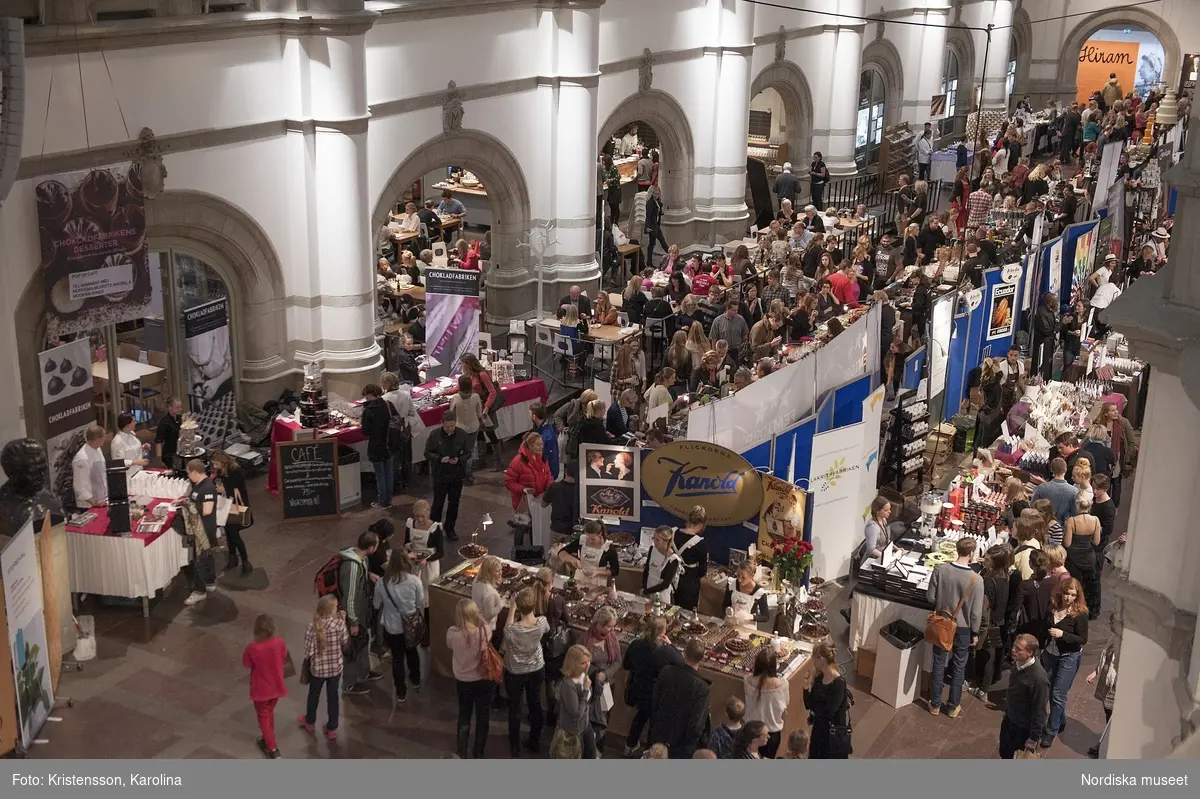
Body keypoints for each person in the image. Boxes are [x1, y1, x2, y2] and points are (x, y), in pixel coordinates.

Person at [926, 537, 982, 718]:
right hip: (964, 628)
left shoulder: (940, 570)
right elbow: (975, 613)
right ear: (972, 553)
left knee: (938, 663)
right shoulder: (976, 579)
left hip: (942, 624)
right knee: (959, 667)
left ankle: (934, 704)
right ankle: (952, 707)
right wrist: (975, 632)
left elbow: (931, 598)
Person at [1040, 578, 1088, 748]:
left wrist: (1063, 635)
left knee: (1058, 694)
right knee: (1050, 689)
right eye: (1066, 593)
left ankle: (1051, 731)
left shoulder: (1080, 613)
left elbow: (1082, 639)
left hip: (1068, 656)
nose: (1068, 597)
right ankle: (1060, 720)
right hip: (1050, 653)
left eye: (1073, 595)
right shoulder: (1053, 606)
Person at [444, 599, 495, 758]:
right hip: (484, 680)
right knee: (483, 716)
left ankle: (462, 751)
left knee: (464, 715)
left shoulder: (452, 633)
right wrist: (479, 618)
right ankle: (478, 751)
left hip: (463, 682)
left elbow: (449, 645)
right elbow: (488, 626)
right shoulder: (484, 631)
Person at [373, 548, 425, 703]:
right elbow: (420, 603)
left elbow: (376, 605)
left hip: (392, 627)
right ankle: (415, 680)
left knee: (397, 658)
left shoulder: (382, 583)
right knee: (412, 652)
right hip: (411, 625)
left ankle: (401, 692)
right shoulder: (414, 581)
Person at [502, 587, 549, 757]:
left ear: (519, 607)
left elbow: (506, 631)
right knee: (535, 704)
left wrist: (512, 608)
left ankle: (514, 745)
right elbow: (547, 629)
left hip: (515, 671)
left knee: (515, 708)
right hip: (536, 668)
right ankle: (534, 740)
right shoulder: (542, 622)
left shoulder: (513, 630)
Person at [649, 638, 711, 758]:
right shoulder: (702, 687)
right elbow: (696, 724)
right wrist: (690, 746)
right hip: (681, 744)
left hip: (660, 733)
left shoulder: (666, 671)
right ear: (702, 658)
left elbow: (655, 702)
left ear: (684, 653)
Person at [299, 595, 349, 740]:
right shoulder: (339, 624)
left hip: (318, 670)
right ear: (331, 610)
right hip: (335, 669)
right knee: (333, 697)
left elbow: (308, 652)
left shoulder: (312, 627)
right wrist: (343, 621)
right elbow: (345, 641)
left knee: (313, 695)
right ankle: (332, 728)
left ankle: (309, 721)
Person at [968, 545, 1011, 699]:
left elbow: (983, 605)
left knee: (985, 654)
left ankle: (982, 688)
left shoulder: (987, 581)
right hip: (998, 619)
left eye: (987, 560)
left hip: (987, 621)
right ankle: (982, 684)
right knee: (988, 654)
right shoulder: (1005, 576)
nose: (984, 561)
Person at [242, 614, 287, 758]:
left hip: (261, 690)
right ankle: (268, 738)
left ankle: (272, 748)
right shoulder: (279, 642)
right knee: (269, 713)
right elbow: (284, 655)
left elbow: (246, 663)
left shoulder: (253, 647)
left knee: (263, 717)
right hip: (277, 686)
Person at [999, 633, 1050, 758]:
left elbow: (1040, 711)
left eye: (1018, 649)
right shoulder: (1018, 664)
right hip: (1010, 720)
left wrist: (1033, 739)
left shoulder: (1038, 678)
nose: (1013, 650)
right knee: (1004, 753)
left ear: (1030, 652)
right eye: (1014, 646)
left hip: (1023, 729)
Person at [425, 410, 471, 541]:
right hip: (440, 474)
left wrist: (460, 459)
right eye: (447, 426)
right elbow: (427, 453)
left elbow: (468, 452)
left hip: (456, 474)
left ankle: (450, 528)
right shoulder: (434, 435)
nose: (450, 429)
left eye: (452, 426)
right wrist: (439, 458)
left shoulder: (462, 434)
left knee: (454, 503)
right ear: (442, 424)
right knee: (438, 502)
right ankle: (434, 528)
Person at [182, 459, 220, 606]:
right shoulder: (199, 485)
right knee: (207, 555)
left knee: (200, 560)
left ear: (195, 472)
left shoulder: (208, 488)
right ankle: (210, 581)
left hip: (204, 530)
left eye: (189, 473)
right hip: (200, 528)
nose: (188, 476)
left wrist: (189, 506)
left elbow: (207, 510)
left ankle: (199, 591)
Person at [804, 642, 850, 758]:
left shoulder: (838, 683)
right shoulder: (819, 679)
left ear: (822, 659)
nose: (813, 664)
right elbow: (809, 705)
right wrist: (805, 688)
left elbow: (829, 711)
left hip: (832, 735)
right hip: (819, 731)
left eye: (814, 660)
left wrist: (815, 710)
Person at [212, 450, 252, 574]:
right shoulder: (221, 471)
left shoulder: (235, 470)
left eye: (216, 464)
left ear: (223, 462)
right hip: (226, 506)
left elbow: (239, 488)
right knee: (229, 534)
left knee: (235, 535)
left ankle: (245, 561)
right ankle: (232, 558)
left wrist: (223, 488)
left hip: (235, 506)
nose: (214, 466)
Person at [743, 648, 788, 758]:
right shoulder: (783, 685)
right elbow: (785, 704)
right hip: (772, 732)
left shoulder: (747, 680)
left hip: (751, 731)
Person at [1084, 620, 1119, 758]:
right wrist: (1095, 672)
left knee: (1112, 716)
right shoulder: (1114, 637)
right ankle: (1105, 740)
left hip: (1116, 686)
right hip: (1107, 682)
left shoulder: (1126, 643)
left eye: (1113, 623)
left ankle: (1105, 744)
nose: (1111, 625)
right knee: (1108, 713)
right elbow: (1106, 655)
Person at [551, 645, 593, 759]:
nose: (588, 665)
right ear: (573, 664)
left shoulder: (584, 675)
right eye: (583, 663)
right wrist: (585, 690)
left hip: (585, 726)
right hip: (571, 732)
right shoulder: (568, 685)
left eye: (588, 661)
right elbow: (576, 714)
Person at [1064, 494, 1101, 619]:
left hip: (1074, 559)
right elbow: (1096, 542)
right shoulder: (1095, 520)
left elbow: (1067, 543)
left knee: (1075, 587)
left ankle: (1074, 611)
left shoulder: (1072, 521)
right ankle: (1089, 612)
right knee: (1090, 587)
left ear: (1077, 506)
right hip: (1089, 558)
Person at [359, 384, 396, 509]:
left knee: (380, 474)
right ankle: (389, 500)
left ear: (370, 395)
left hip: (375, 445)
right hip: (389, 443)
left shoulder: (368, 411)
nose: (365, 399)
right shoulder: (387, 404)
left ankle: (382, 501)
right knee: (388, 472)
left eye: (366, 396)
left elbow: (365, 432)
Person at [559, 519, 620, 590]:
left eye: (593, 539)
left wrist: (598, 572)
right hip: (580, 578)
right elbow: (561, 553)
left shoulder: (608, 548)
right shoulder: (581, 541)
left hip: (598, 581)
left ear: (600, 534)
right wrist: (573, 560)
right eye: (587, 537)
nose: (589, 541)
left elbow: (615, 570)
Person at [504, 431, 554, 517]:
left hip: (539, 501)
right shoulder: (518, 461)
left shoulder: (543, 458)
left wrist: (550, 485)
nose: (541, 447)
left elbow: (548, 474)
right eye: (537, 445)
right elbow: (509, 482)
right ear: (530, 446)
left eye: (542, 444)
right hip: (524, 503)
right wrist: (522, 489)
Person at [671, 506, 709, 611]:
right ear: (701, 525)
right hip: (689, 583)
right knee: (686, 613)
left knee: (670, 609)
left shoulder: (673, 533)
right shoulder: (700, 543)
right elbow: (702, 571)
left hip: (670, 577)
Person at [1032, 458, 1077, 529]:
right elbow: (1074, 514)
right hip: (1062, 529)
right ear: (1065, 470)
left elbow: (1033, 508)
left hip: (1042, 527)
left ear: (1051, 470)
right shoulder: (1073, 491)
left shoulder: (1042, 488)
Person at [71, 424, 108, 509]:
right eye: (104, 436)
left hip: (101, 498)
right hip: (89, 505)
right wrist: (94, 501)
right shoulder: (82, 459)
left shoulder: (97, 449)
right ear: (99, 438)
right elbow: (80, 485)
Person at [723, 560, 769, 626]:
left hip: (747, 627)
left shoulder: (759, 592)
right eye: (738, 575)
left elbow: (765, 617)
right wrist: (727, 610)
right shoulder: (731, 585)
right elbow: (724, 605)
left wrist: (751, 617)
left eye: (743, 577)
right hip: (730, 623)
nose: (739, 579)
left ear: (752, 576)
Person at [472, 556, 505, 638]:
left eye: (501, 569)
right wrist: (501, 603)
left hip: (476, 619)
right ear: (489, 573)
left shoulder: (476, 580)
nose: (501, 573)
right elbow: (489, 614)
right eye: (497, 571)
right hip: (487, 628)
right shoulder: (490, 593)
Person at [154, 396, 183, 466]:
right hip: (169, 454)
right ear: (170, 407)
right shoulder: (164, 423)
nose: (180, 409)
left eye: (180, 407)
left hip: (179, 450)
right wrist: (159, 459)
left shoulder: (180, 418)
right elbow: (158, 442)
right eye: (177, 407)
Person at [861, 496, 891, 564]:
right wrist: (885, 557)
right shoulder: (872, 527)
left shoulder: (883, 520)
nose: (889, 512)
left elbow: (886, 539)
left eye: (889, 509)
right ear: (877, 511)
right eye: (886, 510)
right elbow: (871, 550)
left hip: (881, 557)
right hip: (871, 561)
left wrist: (897, 548)